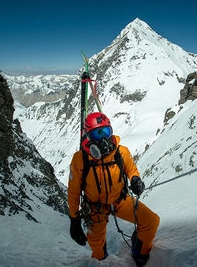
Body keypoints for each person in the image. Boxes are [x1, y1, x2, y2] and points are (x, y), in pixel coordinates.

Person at [68, 112, 160, 266]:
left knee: (151, 221)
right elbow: (74, 191)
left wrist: (136, 179)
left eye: (106, 131)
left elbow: (131, 170)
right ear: (88, 136)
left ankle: (139, 254)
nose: (104, 138)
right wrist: (74, 219)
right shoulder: (80, 159)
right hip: (95, 207)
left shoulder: (121, 151)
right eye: (98, 134)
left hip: (120, 200)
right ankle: (102, 262)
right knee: (96, 243)